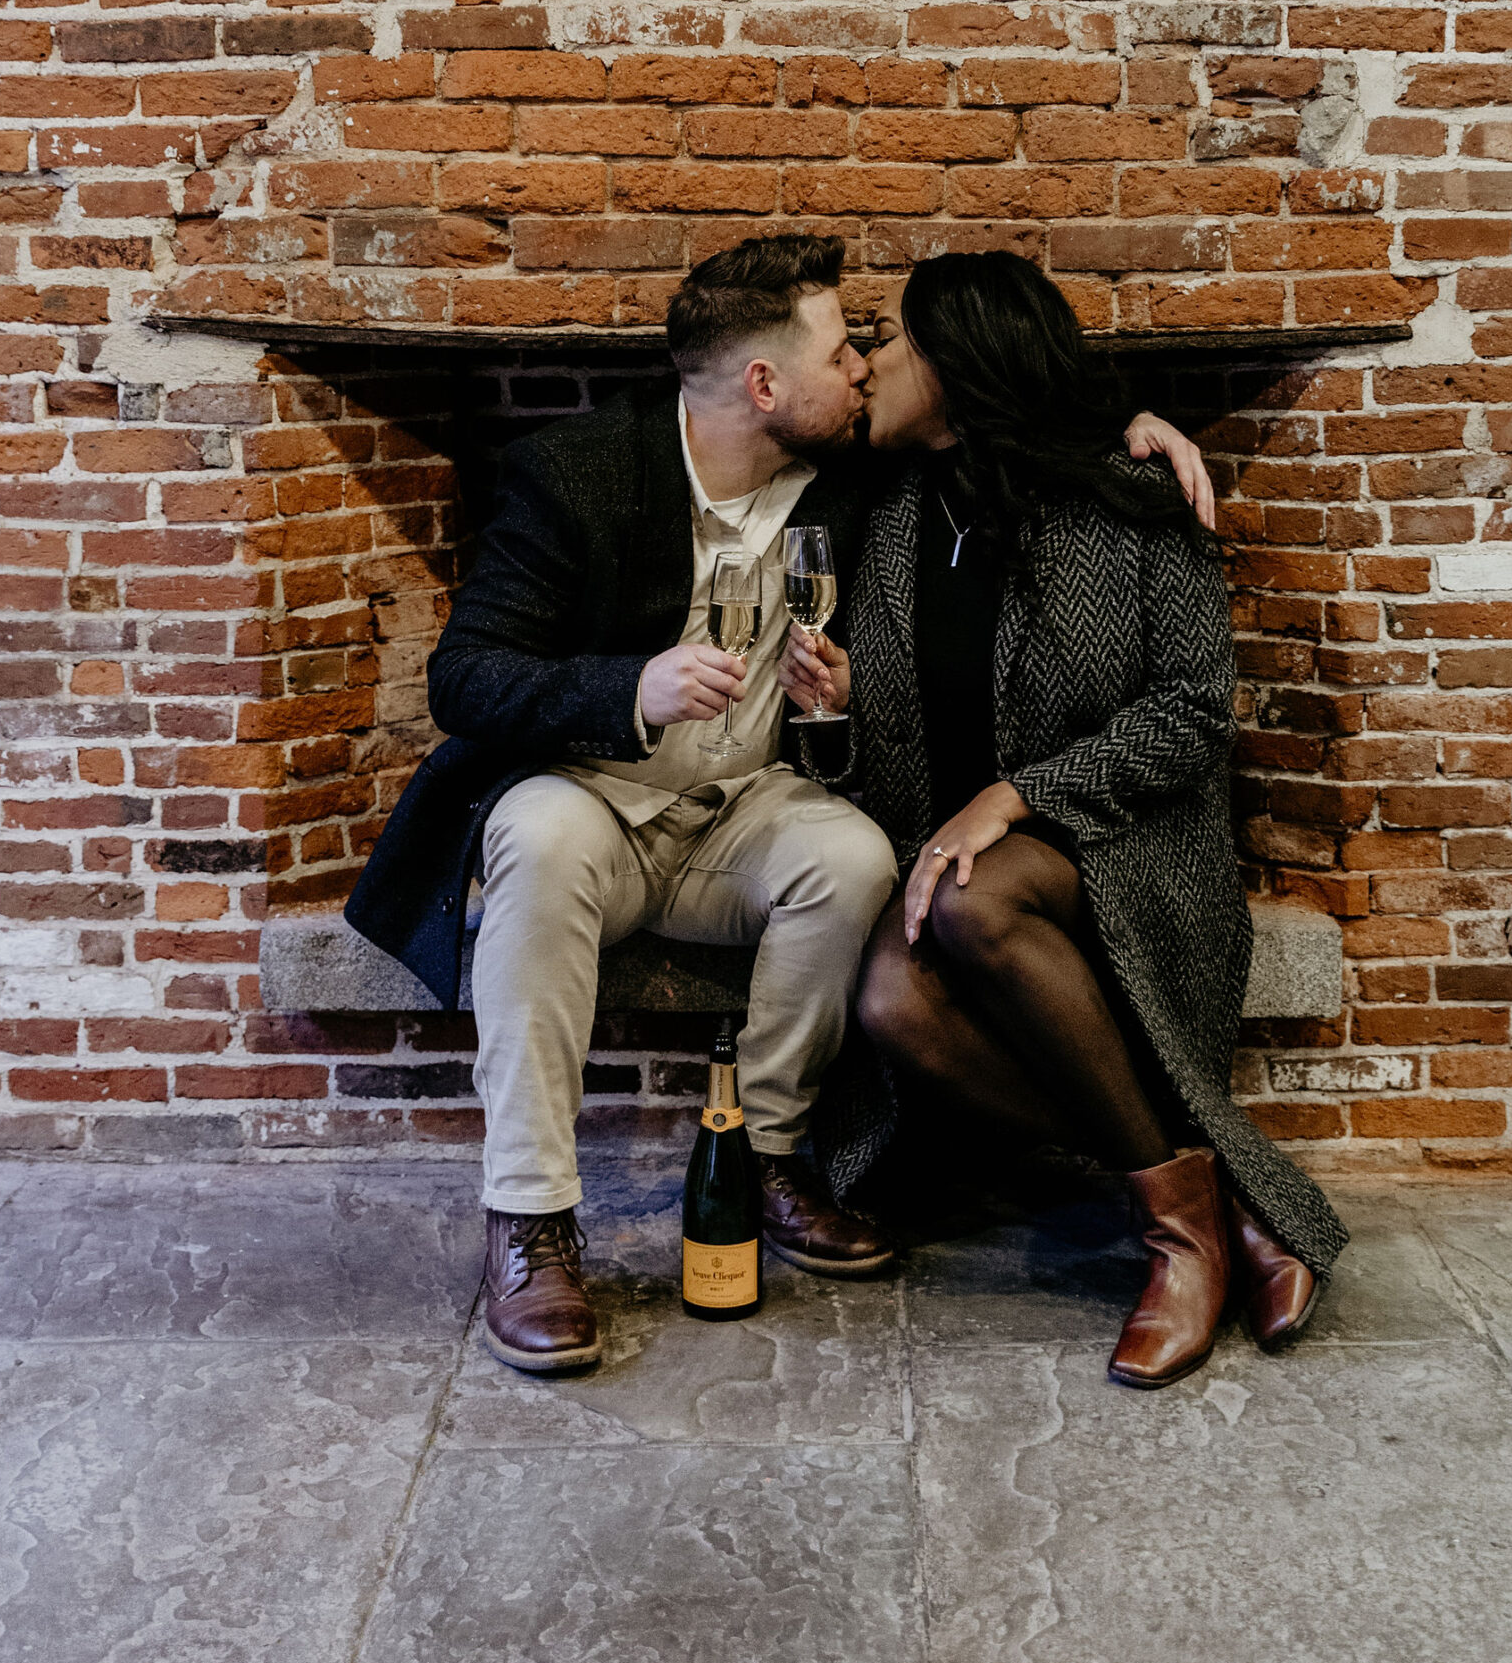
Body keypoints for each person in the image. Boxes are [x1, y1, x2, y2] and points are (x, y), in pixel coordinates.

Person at [345, 231, 1217, 1377]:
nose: (861, 366)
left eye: (873, 345)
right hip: (594, 801)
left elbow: (1010, 417)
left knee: (850, 853)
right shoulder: (583, 475)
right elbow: (462, 680)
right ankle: (530, 1221)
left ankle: (767, 1154)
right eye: (842, 347)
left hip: (744, 808)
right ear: (764, 384)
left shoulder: (856, 479)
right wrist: (628, 688)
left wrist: (1135, 430)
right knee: (539, 834)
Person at [782, 252, 1349, 1388]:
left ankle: (1176, 1246)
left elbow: (1195, 714)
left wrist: (1017, 793)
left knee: (974, 890)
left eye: (887, 342)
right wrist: (835, 719)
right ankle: (1216, 1195)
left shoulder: (1131, 495)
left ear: (950, 365)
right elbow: (875, 782)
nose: (869, 365)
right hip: (955, 883)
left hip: (1131, 861)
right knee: (891, 992)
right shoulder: (877, 515)